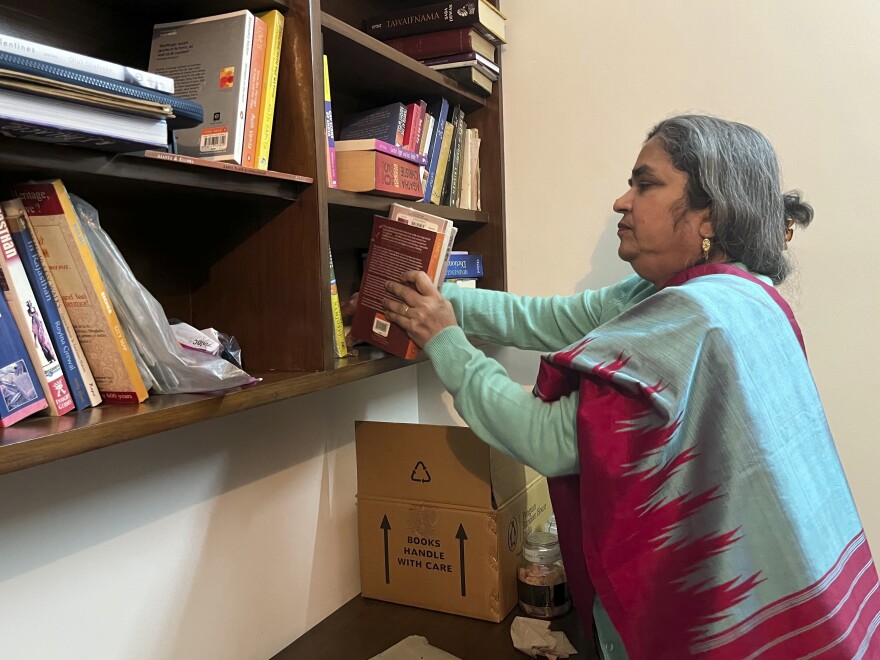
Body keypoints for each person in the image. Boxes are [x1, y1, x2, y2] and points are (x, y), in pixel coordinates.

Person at [382, 115, 879, 659]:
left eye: (645, 184)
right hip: (822, 600)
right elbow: (553, 319)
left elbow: (547, 438)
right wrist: (442, 299)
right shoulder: (734, 294)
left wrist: (445, 341)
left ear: (708, 211)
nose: (622, 201)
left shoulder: (696, 312)